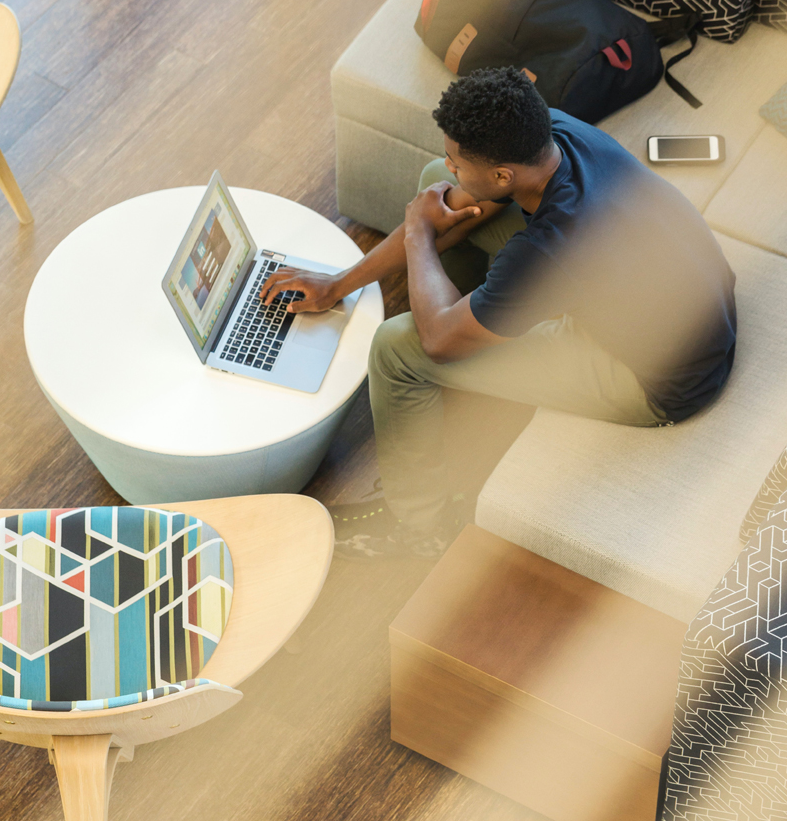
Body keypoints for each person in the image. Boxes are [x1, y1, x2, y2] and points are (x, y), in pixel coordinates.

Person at [260, 67, 737, 559]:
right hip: (686, 304)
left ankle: (419, 527)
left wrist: (419, 233)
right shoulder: (552, 132)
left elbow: (436, 341)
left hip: (656, 379)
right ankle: (475, 327)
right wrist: (338, 284)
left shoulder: (553, 245)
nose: (451, 166)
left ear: (504, 176)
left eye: (458, 161)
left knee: (396, 348)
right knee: (433, 185)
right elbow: (453, 200)